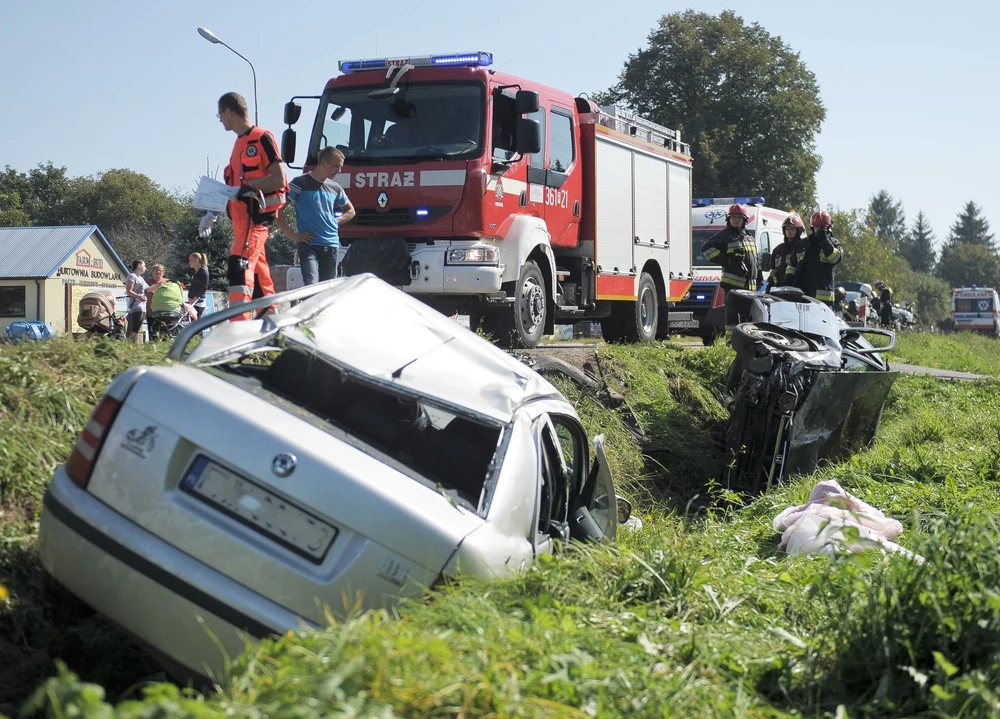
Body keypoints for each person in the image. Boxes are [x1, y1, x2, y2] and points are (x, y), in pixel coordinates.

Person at [198, 92, 287, 321]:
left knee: (239, 265)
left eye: (220, 114)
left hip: (256, 219)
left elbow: (279, 180)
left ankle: (238, 326)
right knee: (259, 272)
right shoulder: (239, 144)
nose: (220, 120)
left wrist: (247, 189)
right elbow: (233, 186)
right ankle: (270, 321)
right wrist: (213, 211)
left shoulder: (262, 138)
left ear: (229, 112)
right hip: (240, 221)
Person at [278, 147, 356, 285]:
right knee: (312, 285)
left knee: (328, 289)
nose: (339, 171)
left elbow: (351, 211)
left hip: (331, 244)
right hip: (309, 245)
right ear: (324, 163)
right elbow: (278, 210)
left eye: (340, 167)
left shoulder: (335, 187)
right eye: (336, 166)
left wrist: (335, 221)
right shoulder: (299, 183)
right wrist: (294, 236)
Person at [701, 203, 758, 325]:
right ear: (729, 219)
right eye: (733, 217)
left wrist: (760, 278)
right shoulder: (724, 236)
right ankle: (730, 342)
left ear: (744, 220)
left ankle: (746, 342)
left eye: (739, 217)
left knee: (748, 318)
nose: (736, 220)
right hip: (732, 286)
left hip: (750, 287)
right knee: (732, 317)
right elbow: (706, 249)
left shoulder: (748, 237)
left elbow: (755, 260)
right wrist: (728, 260)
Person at [788, 210, 843, 306]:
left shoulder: (834, 243)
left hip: (824, 301)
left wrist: (824, 241)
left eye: (822, 227)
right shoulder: (802, 244)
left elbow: (835, 259)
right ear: (812, 227)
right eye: (817, 227)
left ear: (828, 228)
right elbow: (792, 266)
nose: (819, 230)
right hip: (802, 296)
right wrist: (787, 281)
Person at [768, 212, 805, 288]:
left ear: (798, 231)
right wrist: (774, 284)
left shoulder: (802, 248)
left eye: (792, 229)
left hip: (796, 289)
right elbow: (773, 271)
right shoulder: (778, 250)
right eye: (787, 229)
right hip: (778, 288)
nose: (789, 232)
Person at [124, 260, 148, 343]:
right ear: (139, 265)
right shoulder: (132, 276)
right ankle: (130, 345)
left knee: (136, 329)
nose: (145, 268)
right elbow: (129, 291)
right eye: (144, 265)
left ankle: (133, 345)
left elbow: (148, 289)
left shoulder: (141, 278)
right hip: (135, 307)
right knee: (134, 329)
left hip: (142, 307)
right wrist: (138, 297)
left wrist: (160, 284)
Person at [144, 264, 169, 339]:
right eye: (156, 270)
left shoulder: (168, 282)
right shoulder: (147, 282)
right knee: (153, 335)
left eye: (160, 270)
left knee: (165, 335)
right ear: (152, 272)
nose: (158, 272)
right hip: (151, 312)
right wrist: (157, 285)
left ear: (163, 272)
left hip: (164, 312)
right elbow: (145, 291)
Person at [186, 252, 210, 318]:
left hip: (198, 302)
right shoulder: (198, 271)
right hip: (194, 301)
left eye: (190, 260)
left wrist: (194, 298)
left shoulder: (203, 271)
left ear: (196, 260)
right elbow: (198, 284)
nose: (189, 262)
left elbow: (204, 287)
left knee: (194, 323)